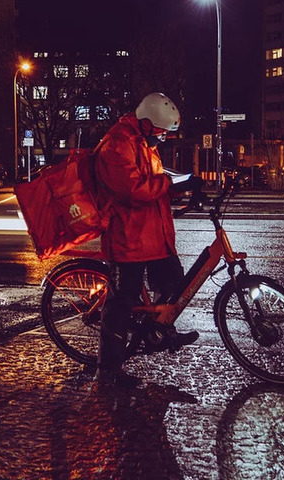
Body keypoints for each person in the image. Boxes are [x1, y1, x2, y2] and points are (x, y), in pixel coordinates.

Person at [93, 92, 201, 388]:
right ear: (145, 122)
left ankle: (158, 331)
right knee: (120, 304)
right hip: (127, 238)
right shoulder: (118, 144)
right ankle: (108, 371)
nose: (163, 138)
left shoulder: (142, 141)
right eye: (161, 132)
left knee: (174, 284)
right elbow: (133, 189)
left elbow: (155, 180)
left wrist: (182, 185)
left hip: (153, 235)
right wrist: (167, 183)